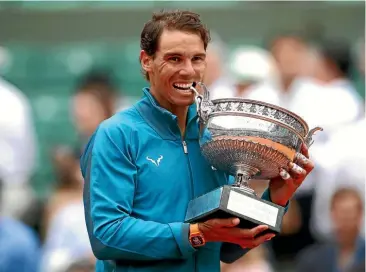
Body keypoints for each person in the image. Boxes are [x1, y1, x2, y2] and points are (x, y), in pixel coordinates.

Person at [80, 10, 316, 272]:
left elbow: (229, 247)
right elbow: (106, 235)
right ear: (146, 61)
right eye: (174, 59)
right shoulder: (116, 135)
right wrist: (196, 233)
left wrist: (276, 198)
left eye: (197, 59)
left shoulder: (214, 138)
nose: (188, 70)